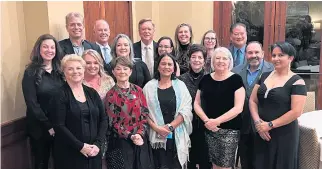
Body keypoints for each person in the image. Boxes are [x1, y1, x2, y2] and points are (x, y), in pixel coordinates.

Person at [249, 42, 307, 169]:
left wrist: (270, 125)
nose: (276, 58)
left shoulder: (297, 81)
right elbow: (253, 101)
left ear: (290, 58)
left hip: (284, 135)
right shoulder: (263, 76)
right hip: (262, 132)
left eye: (281, 55)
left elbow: (296, 112)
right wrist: (258, 124)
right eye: (274, 55)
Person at [50, 54, 108, 169]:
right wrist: (81, 146)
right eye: (70, 69)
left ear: (83, 70)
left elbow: (104, 119)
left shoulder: (92, 93)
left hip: (94, 152)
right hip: (70, 153)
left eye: (78, 68)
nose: (75, 72)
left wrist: (98, 144)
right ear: (64, 72)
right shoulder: (59, 95)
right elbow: (58, 125)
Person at [194, 47, 245, 169]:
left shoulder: (236, 80)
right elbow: (196, 103)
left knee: (225, 166)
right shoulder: (205, 79)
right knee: (212, 165)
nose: (221, 61)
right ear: (212, 61)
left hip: (229, 131)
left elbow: (238, 108)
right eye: (217, 58)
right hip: (208, 129)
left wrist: (217, 121)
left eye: (224, 58)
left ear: (229, 61)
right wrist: (207, 121)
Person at [22, 34, 64, 169]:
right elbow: (32, 103)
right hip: (39, 128)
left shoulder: (60, 71)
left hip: (60, 125)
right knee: (41, 163)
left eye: (52, 47)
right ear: (38, 49)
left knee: (61, 162)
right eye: (45, 47)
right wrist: (48, 126)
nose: (49, 50)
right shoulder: (30, 72)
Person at [143, 53, 193, 169]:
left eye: (170, 64)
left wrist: (170, 127)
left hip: (176, 135)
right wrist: (157, 128)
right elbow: (144, 112)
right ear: (158, 67)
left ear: (174, 68)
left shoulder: (181, 86)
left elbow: (186, 109)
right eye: (163, 64)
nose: (166, 67)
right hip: (156, 136)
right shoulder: (149, 87)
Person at [104, 56, 154, 169]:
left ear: (130, 71)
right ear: (113, 71)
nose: (122, 71)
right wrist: (130, 136)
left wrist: (139, 134)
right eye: (118, 68)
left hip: (140, 139)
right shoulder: (111, 95)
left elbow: (145, 114)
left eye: (125, 68)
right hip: (121, 143)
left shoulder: (138, 90)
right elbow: (113, 122)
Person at [232, 41, 274, 169]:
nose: (253, 55)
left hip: (264, 124)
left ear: (263, 53)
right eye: (250, 52)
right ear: (245, 54)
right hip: (242, 124)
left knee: (263, 162)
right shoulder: (235, 71)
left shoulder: (272, 70)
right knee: (246, 161)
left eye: (257, 52)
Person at [178, 44, 211, 169]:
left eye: (200, 57)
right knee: (189, 161)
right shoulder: (181, 79)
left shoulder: (210, 78)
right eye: (193, 57)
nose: (196, 60)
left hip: (205, 126)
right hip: (186, 126)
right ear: (189, 59)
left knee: (205, 161)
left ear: (204, 60)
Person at [82, 49, 115, 169]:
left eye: (95, 63)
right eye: (88, 62)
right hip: (86, 128)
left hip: (107, 128)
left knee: (107, 161)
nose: (92, 66)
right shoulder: (77, 81)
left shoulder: (108, 80)